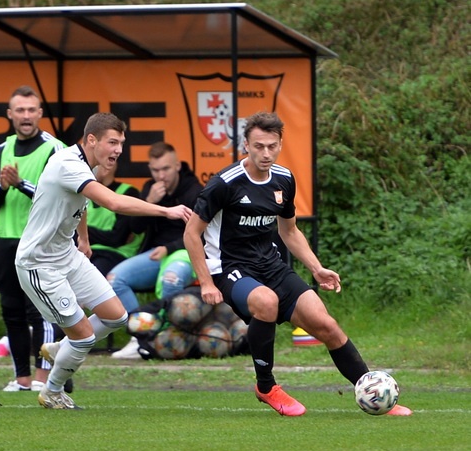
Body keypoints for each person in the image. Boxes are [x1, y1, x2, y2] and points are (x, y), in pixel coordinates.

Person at [183, 111, 412, 417]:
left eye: (272, 146)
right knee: (266, 301)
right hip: (230, 267)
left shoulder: (284, 179)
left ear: (280, 144)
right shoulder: (225, 184)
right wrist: (207, 282)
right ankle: (266, 386)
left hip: (271, 266)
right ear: (246, 146)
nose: (266, 153)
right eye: (259, 146)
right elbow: (191, 233)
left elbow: (288, 231)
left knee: (326, 324)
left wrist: (316, 268)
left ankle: (372, 392)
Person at [16, 112, 193, 409]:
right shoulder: (67, 163)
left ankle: (61, 348)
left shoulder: (87, 166)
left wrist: (83, 239)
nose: (118, 150)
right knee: (84, 337)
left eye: (121, 143)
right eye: (113, 142)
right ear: (91, 140)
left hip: (67, 255)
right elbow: (111, 202)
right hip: (39, 263)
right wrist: (165, 210)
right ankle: (53, 391)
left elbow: (80, 203)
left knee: (116, 316)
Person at [0, 85, 65, 392]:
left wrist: (20, 183)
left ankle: (43, 379)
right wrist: (6, 186)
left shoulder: (54, 149)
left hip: (40, 240)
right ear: (10, 115)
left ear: (40, 114)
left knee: (41, 310)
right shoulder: (0, 151)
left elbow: (56, 197)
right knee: (12, 309)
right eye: (20, 110)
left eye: (32, 110)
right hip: (7, 238)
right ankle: (22, 379)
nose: (26, 116)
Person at [108, 142, 202, 360]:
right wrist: (149, 202)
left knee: (171, 280)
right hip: (154, 255)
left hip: (185, 252)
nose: (161, 175)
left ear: (177, 166)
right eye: (155, 170)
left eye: (166, 169)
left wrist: (168, 248)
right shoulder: (150, 188)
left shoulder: (193, 190)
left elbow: (201, 233)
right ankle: (139, 336)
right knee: (114, 280)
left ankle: (169, 339)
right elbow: (135, 228)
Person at [86, 161, 143, 276]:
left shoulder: (128, 193)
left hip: (115, 254)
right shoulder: (84, 193)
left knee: (91, 276)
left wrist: (85, 233)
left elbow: (117, 238)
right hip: (86, 252)